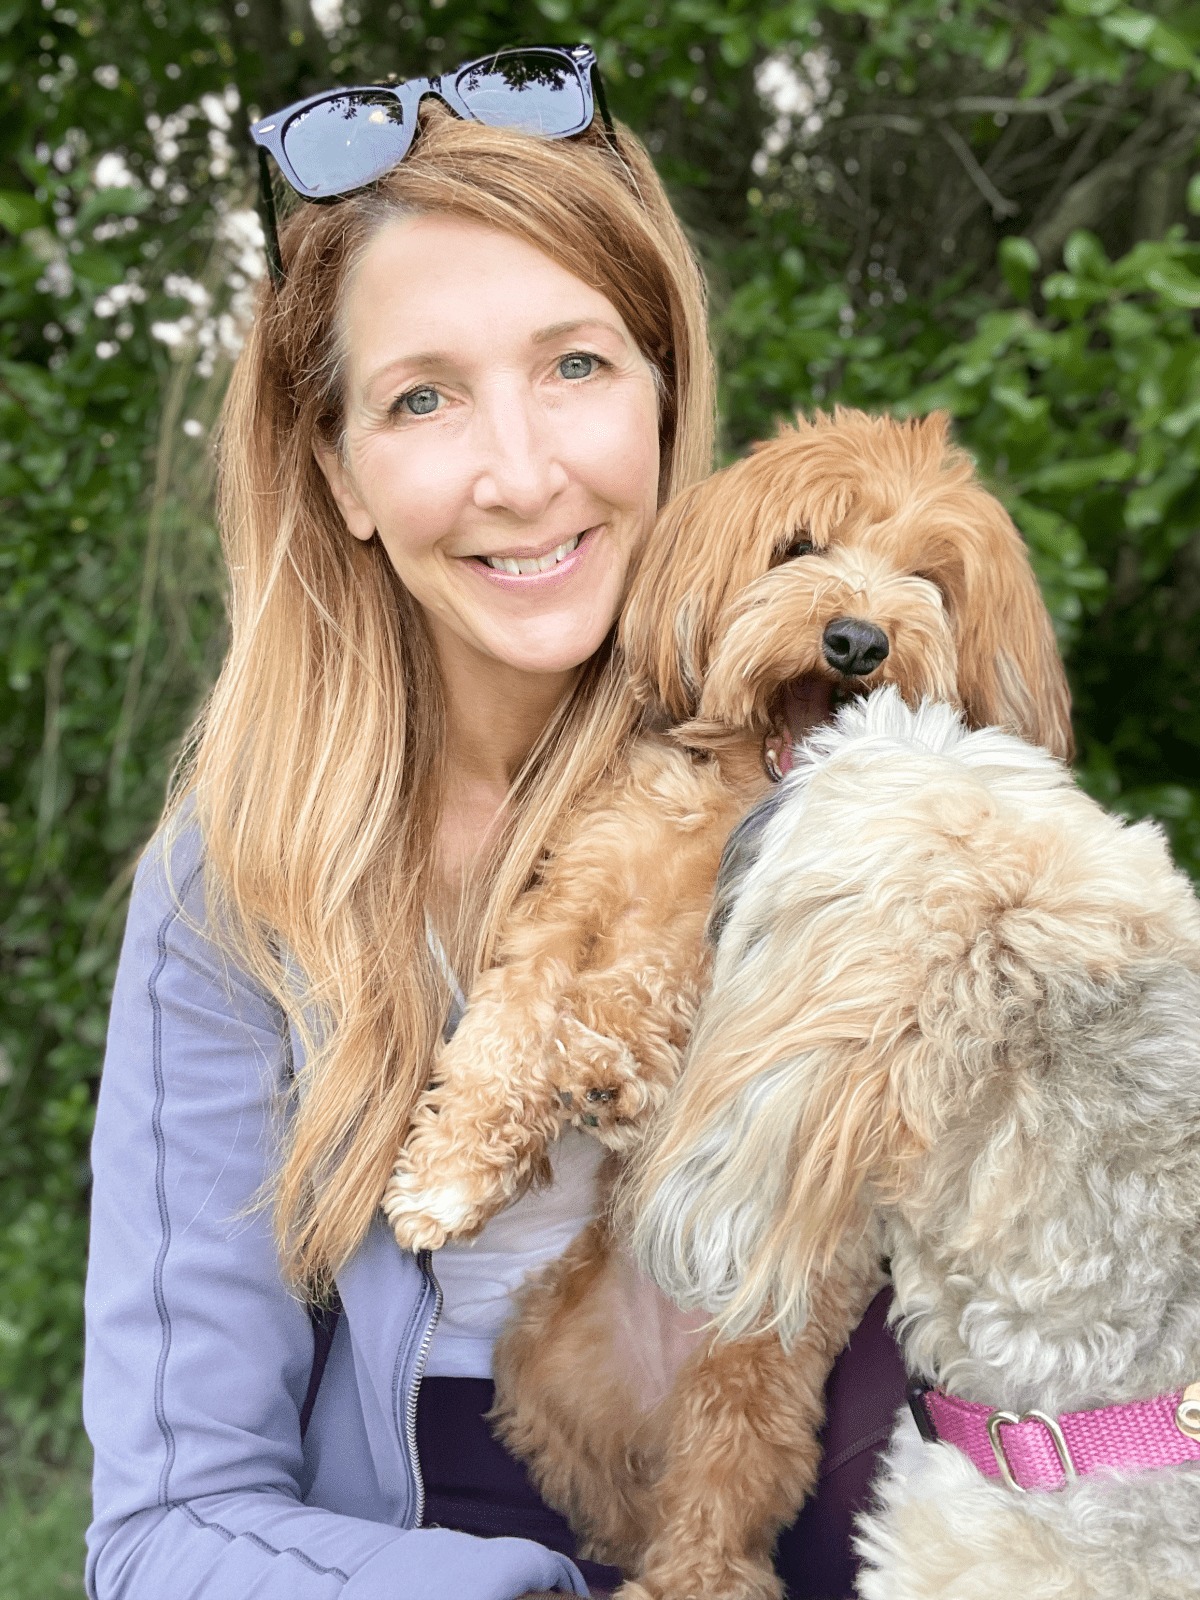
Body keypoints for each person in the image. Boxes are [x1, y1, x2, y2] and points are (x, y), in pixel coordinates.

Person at [83, 46, 905, 1600]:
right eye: (423, 398)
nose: (520, 475)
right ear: (338, 470)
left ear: (668, 395)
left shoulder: (827, 776)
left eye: (578, 366)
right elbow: (166, 1528)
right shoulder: (237, 886)